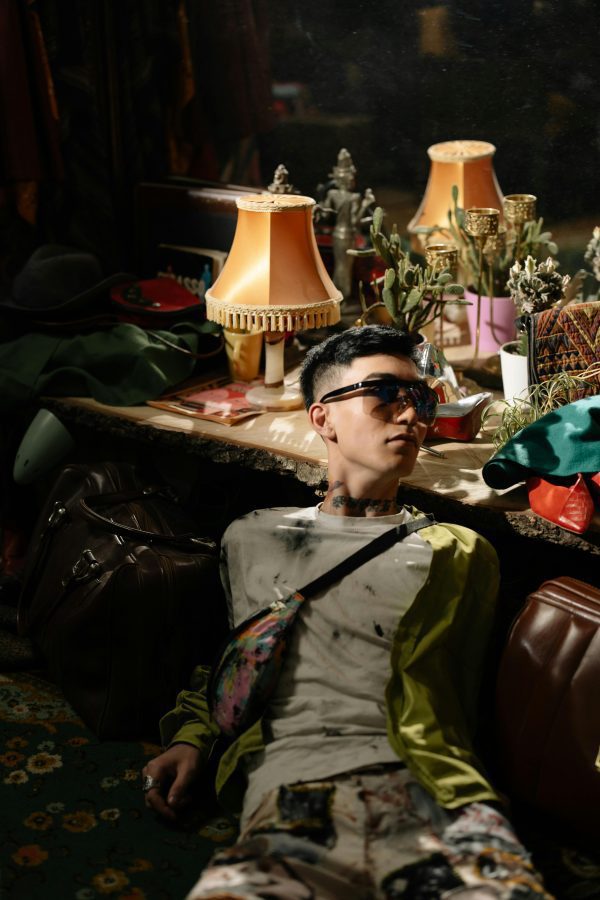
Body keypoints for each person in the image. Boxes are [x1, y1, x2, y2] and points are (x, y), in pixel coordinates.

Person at [143, 325, 552, 899]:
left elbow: (461, 694)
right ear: (323, 418)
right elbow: (237, 657)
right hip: (294, 797)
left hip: (435, 796)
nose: (409, 415)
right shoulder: (254, 537)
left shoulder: (458, 554)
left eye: (421, 400)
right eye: (383, 394)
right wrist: (191, 738)